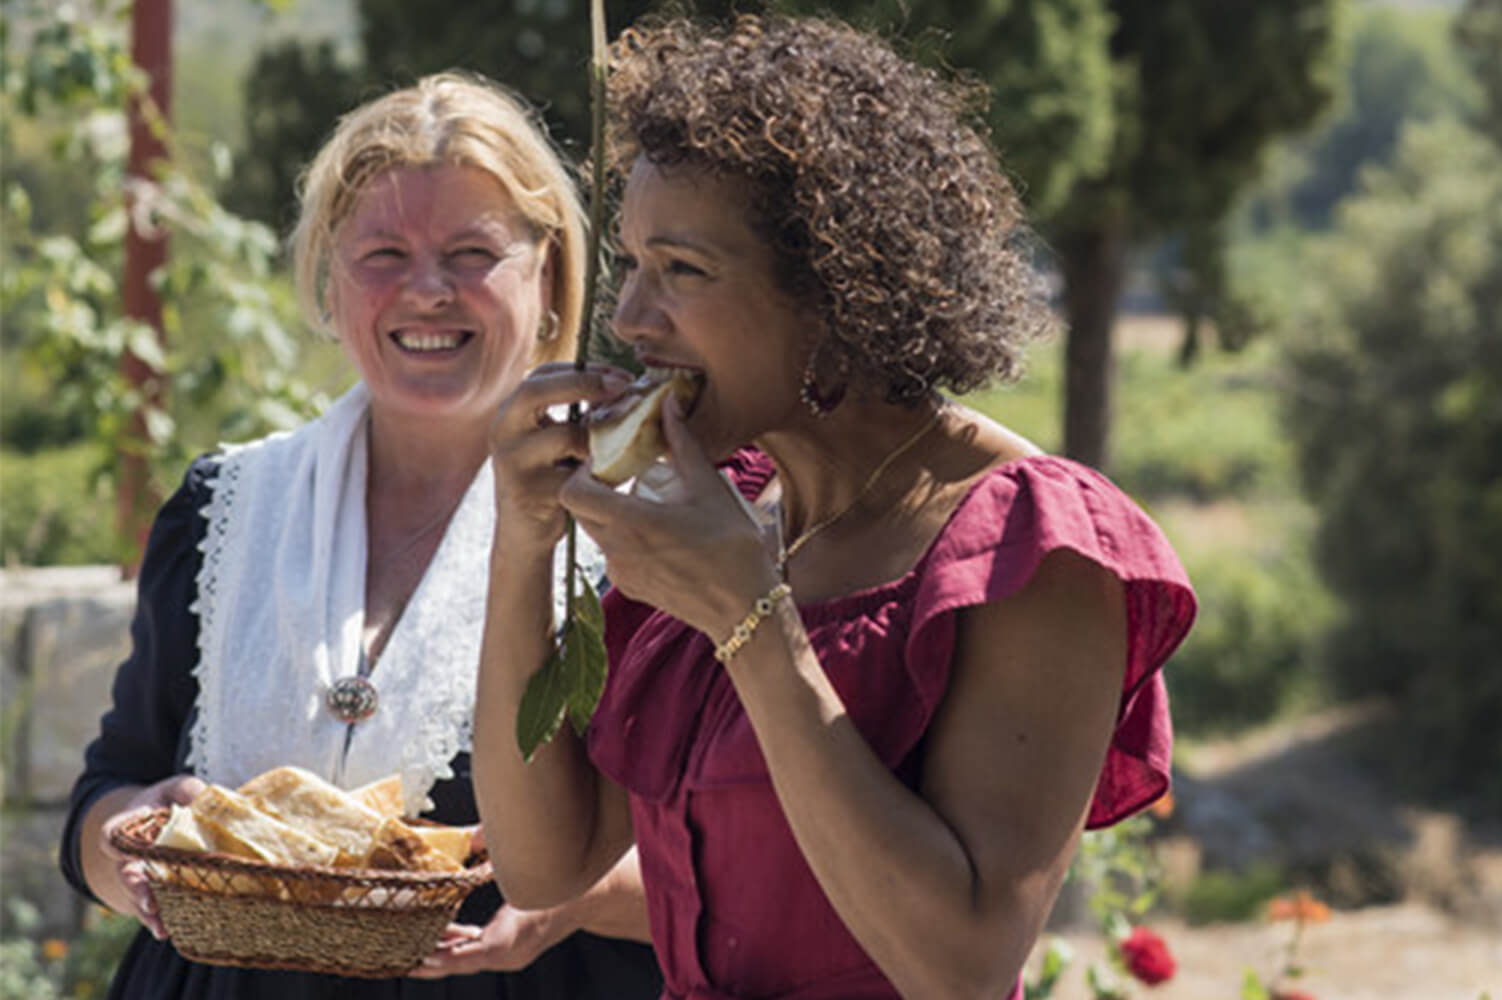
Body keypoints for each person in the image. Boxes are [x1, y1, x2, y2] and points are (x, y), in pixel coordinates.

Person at [475, 15, 1197, 1000]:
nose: (632, 319)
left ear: (835, 294)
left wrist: (750, 621)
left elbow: (964, 966)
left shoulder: (1030, 548)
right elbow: (544, 863)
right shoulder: (719, 505)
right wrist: (521, 540)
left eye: (682, 271)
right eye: (632, 266)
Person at [59, 72, 663, 999]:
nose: (427, 291)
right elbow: (107, 795)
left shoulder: (632, 533)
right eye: (384, 252)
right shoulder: (222, 509)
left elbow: (730, 863)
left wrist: (564, 901)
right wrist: (134, 844)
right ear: (330, 277)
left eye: (472, 253)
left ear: (548, 278)